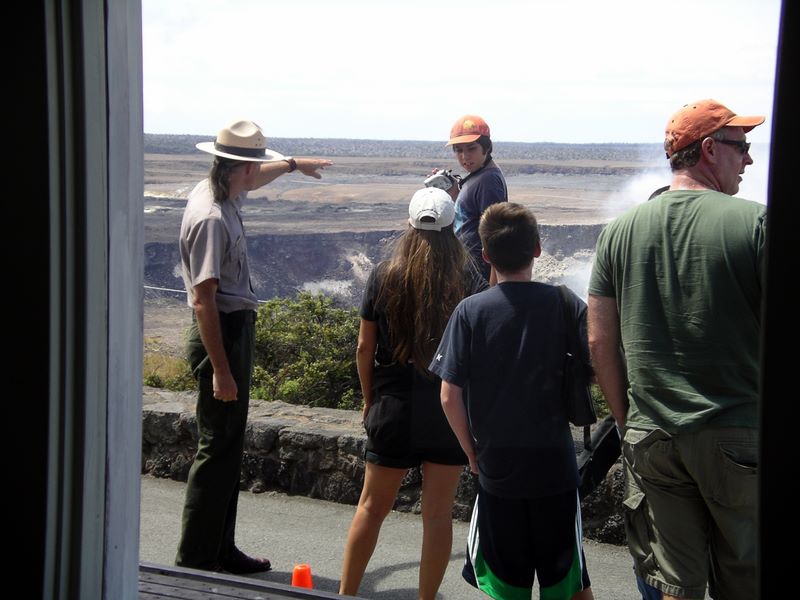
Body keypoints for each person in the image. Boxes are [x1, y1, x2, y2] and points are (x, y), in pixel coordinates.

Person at [587, 99, 765, 600]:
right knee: (745, 581)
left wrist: (627, 419)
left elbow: (599, 339)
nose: (748, 159)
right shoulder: (757, 224)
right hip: (737, 432)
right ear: (709, 149)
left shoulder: (618, 231)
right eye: (741, 146)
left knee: (674, 584)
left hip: (652, 438)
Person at [175, 119, 332, 573]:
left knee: (227, 448)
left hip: (231, 328)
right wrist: (221, 371)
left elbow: (255, 178)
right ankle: (197, 559)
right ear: (241, 168)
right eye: (255, 166)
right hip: (221, 333)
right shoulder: (211, 217)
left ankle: (220, 549)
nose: (256, 174)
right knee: (216, 449)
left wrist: (292, 165)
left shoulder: (219, 189)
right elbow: (203, 301)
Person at [430, 202, 594, 600]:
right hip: (554, 468)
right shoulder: (565, 303)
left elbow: (449, 395)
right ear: (537, 248)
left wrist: (471, 452)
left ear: (485, 255)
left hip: (497, 470)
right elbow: (602, 359)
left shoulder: (470, 312)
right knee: (567, 585)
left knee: (506, 589)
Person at [338, 187, 488, 599]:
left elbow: (364, 347)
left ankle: (345, 595)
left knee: (371, 508)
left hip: (394, 407)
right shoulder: (467, 278)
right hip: (446, 412)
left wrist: (370, 399)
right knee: (437, 516)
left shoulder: (385, 274)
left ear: (409, 224)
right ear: (452, 228)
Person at [446, 114, 508, 284]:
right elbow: (470, 216)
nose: (465, 156)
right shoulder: (478, 176)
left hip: (479, 277)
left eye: (471, 148)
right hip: (468, 272)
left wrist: (492, 289)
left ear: (486, 148)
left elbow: (495, 236)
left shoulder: (488, 180)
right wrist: (455, 194)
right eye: (459, 150)